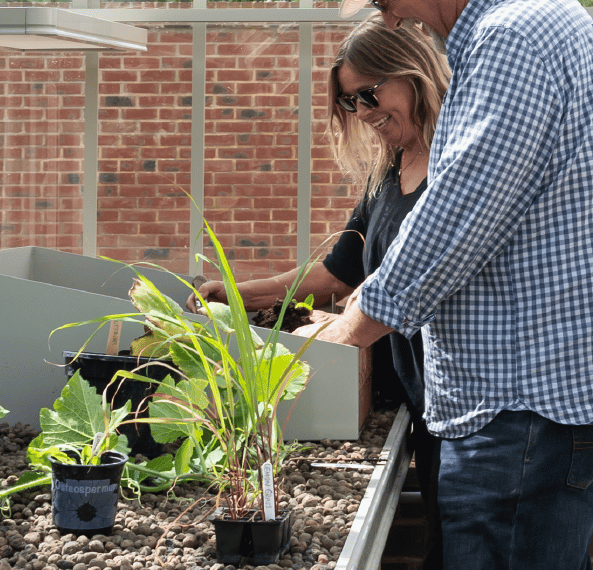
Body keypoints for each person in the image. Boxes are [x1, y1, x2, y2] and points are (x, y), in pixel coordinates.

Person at [292, 0, 593, 568]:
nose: (388, 19)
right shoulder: (533, 23)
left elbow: (454, 223)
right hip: (542, 398)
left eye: (385, 4)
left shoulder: (512, 38)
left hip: (527, 403)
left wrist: (336, 344)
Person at [187, 14, 450, 566]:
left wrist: (342, 327)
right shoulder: (390, 170)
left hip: (467, 404)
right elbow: (335, 273)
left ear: (414, 75)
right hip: (423, 401)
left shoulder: (457, 167)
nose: (366, 113)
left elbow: (412, 282)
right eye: (354, 102)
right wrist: (234, 294)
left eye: (371, 94)